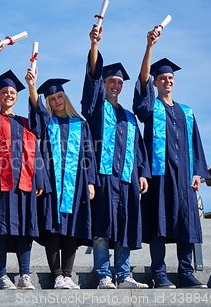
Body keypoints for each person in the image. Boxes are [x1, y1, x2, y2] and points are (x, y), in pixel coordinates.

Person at [133, 27, 210, 289]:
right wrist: (149, 46)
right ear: (155, 82)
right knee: (158, 224)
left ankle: (186, 272)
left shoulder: (186, 112)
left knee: (187, 224)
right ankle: (159, 273)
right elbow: (142, 80)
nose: (167, 80)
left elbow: (196, 144)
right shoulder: (150, 108)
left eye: (170, 77)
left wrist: (197, 172)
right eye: (162, 78)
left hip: (184, 178)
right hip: (159, 175)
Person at [82, 24, 150, 289]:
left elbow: (139, 148)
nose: (116, 85)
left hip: (127, 180)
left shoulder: (129, 117)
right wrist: (95, 45)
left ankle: (123, 275)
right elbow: (91, 79)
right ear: (104, 84)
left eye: (120, 83)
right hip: (103, 177)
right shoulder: (96, 108)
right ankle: (103, 275)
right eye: (111, 81)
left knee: (126, 226)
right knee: (101, 228)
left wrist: (143, 173)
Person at [0, 42, 45, 290]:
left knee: (24, 230)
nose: (8, 95)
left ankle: (24, 274)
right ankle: (2, 274)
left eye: (13, 93)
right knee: (1, 229)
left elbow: (39, 141)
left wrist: (31, 86)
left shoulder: (26, 122)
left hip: (25, 184)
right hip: (1, 182)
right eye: (4, 93)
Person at [26, 70, 96, 290]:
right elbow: (36, 113)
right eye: (51, 99)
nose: (56, 101)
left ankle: (68, 275)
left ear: (65, 98)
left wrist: (91, 182)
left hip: (76, 184)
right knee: (54, 229)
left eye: (59, 97)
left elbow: (88, 155)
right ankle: (57, 276)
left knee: (72, 229)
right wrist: (32, 86)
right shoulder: (47, 123)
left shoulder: (80, 124)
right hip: (51, 184)